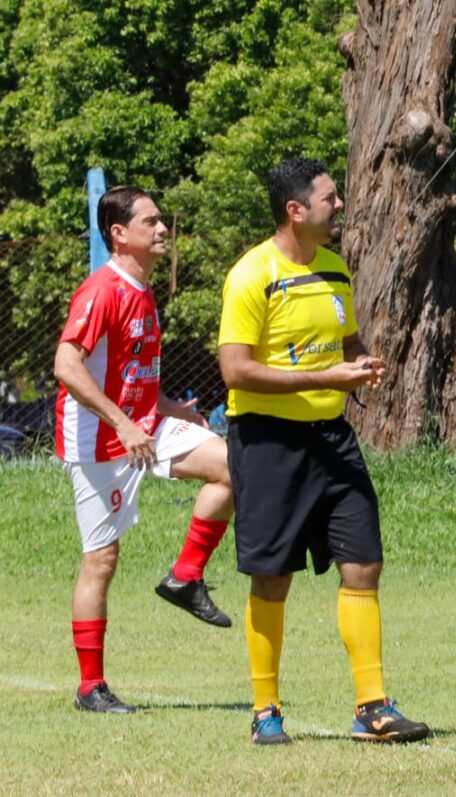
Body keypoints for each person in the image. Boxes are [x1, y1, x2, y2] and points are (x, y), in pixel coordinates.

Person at [218, 157, 429, 746]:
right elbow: (235, 371)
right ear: (296, 210)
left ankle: (372, 707)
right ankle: (265, 711)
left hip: (333, 440)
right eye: (329, 199)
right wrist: (325, 379)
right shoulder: (251, 275)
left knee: (363, 563)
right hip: (267, 443)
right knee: (272, 578)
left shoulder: (336, 269)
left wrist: (360, 362)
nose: (339, 206)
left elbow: (346, 341)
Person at [54, 186, 235, 715]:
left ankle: (185, 576)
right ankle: (91, 687)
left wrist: (174, 407)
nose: (162, 230)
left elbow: (129, 373)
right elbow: (67, 367)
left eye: (162, 222)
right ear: (119, 233)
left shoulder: (144, 290)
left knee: (232, 467)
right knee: (101, 561)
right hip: (99, 441)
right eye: (151, 222)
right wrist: (123, 423)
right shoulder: (101, 291)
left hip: (145, 427)